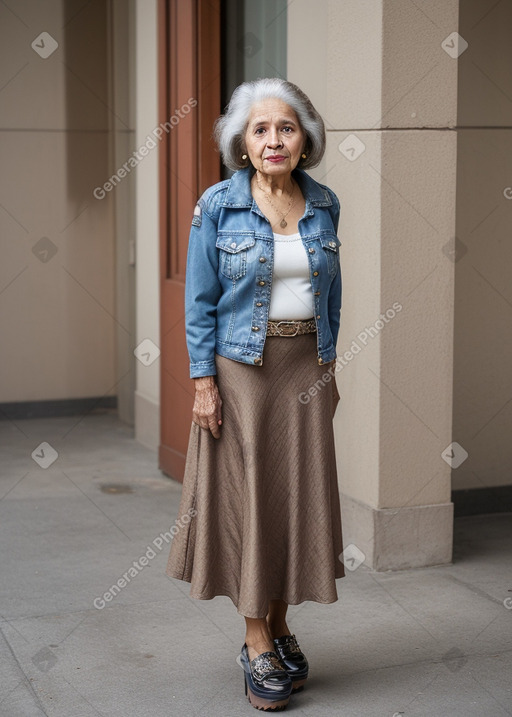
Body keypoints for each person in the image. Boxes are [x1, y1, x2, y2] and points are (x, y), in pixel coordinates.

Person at [166, 77, 345, 711]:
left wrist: (329, 364)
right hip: (242, 371)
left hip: (305, 366)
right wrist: (202, 382)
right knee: (248, 501)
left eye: (286, 128)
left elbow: (332, 295)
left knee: (294, 497)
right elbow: (200, 302)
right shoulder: (217, 205)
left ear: (305, 139)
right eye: (260, 129)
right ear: (242, 143)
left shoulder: (323, 203)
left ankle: (282, 622)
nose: (274, 139)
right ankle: (254, 637)